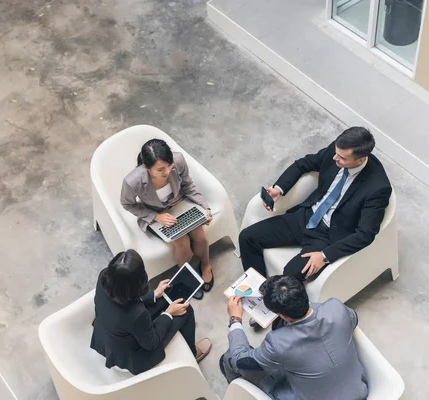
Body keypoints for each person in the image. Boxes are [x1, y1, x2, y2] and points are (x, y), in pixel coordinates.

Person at [239, 127, 392, 282]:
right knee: (247, 237)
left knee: (291, 275)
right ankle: (256, 287)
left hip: (328, 236)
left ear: (361, 159)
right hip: (306, 216)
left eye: (342, 158)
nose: (335, 158)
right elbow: (302, 164)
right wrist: (279, 189)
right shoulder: (338, 151)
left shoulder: (377, 188)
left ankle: (274, 300)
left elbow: (365, 234)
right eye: (336, 153)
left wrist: (325, 256)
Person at [220, 275, 368, 400]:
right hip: (359, 390)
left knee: (229, 358)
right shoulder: (336, 307)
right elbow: (353, 319)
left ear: (282, 315)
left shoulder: (278, 344)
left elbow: (241, 359)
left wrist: (235, 319)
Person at [90, 250, 212, 375]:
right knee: (186, 311)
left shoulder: (103, 277)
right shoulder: (137, 314)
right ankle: (193, 353)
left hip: (107, 336)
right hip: (131, 355)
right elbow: (151, 343)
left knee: (165, 298)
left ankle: (181, 326)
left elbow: (124, 296)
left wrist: (154, 294)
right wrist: (168, 314)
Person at [121, 139, 214, 298]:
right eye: (160, 169)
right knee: (182, 242)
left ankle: (205, 265)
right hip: (155, 215)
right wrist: (156, 216)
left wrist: (205, 208)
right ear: (146, 168)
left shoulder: (178, 161)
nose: (167, 171)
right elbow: (127, 204)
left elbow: (188, 186)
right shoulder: (132, 182)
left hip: (180, 205)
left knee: (200, 235)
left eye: (169, 165)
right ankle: (187, 276)